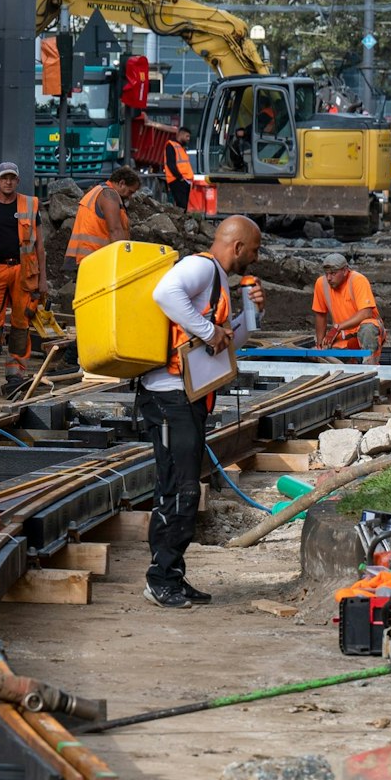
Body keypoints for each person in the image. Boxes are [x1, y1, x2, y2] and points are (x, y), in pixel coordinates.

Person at [140, 216, 268, 610]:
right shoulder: (200, 267)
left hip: (187, 398)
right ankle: (160, 580)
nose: (256, 258)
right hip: (168, 397)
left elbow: (232, 341)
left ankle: (171, 575)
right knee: (179, 488)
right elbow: (165, 293)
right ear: (238, 247)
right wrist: (209, 332)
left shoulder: (218, 283)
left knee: (181, 485)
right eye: (255, 250)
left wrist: (249, 310)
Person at [0, 161, 45, 394]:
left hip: (23, 273)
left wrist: (43, 280)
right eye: (4, 177)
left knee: (21, 323)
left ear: (17, 181)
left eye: (12, 178)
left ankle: (16, 373)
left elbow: (40, 246)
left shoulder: (30, 204)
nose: (8, 181)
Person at [311, 252, 385, 363]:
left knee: (368, 327)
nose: (329, 278)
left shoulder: (358, 280)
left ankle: (370, 365)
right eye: (326, 274)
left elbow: (366, 313)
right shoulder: (321, 284)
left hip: (366, 334)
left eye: (333, 273)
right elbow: (320, 315)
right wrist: (320, 345)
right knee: (327, 358)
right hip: (344, 337)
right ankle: (352, 361)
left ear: (345, 271)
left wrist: (338, 327)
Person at [65, 166, 142, 268]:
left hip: (85, 258)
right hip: (95, 259)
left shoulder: (98, 192)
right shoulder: (109, 194)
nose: (130, 196)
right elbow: (115, 230)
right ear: (121, 183)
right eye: (130, 191)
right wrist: (125, 262)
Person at [163, 128, 196, 210]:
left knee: (184, 205)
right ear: (180, 134)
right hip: (177, 180)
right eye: (187, 136)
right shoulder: (171, 145)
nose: (188, 139)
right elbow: (171, 164)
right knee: (182, 205)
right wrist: (180, 177)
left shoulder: (180, 147)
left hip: (183, 180)